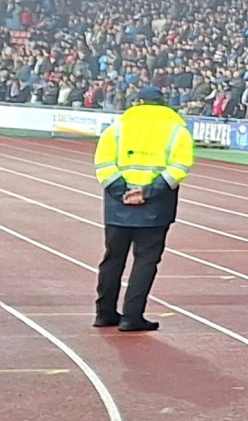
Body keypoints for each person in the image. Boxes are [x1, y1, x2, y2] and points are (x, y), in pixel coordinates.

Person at [92, 85, 194, 332]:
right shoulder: (177, 130)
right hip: (156, 207)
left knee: (113, 258)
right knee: (146, 261)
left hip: (118, 205)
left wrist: (122, 192)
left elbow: (103, 163)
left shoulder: (117, 128)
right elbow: (179, 166)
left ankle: (104, 313)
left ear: (138, 102)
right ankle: (132, 316)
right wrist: (147, 193)